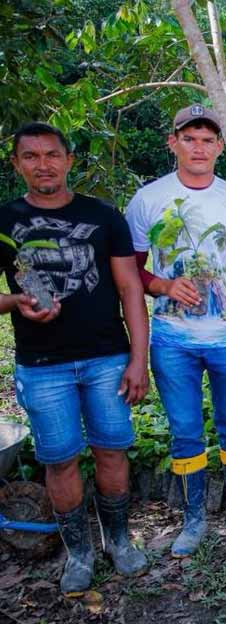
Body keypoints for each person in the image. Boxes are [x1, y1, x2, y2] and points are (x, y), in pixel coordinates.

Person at [0, 122, 149, 592]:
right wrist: (15, 302)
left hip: (107, 357)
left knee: (112, 448)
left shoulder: (103, 216)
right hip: (42, 365)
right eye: (31, 156)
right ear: (17, 164)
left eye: (51, 154)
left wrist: (138, 358)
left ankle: (119, 541)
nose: (42, 164)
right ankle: (79, 553)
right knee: (60, 459)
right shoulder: (4, 221)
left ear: (68, 160)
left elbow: (130, 288)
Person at [125, 104, 226, 556]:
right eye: (189, 138)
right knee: (186, 429)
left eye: (208, 140)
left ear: (219, 147)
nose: (199, 147)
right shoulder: (149, 200)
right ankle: (193, 519)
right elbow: (131, 274)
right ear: (173, 143)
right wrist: (164, 284)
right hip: (173, 340)